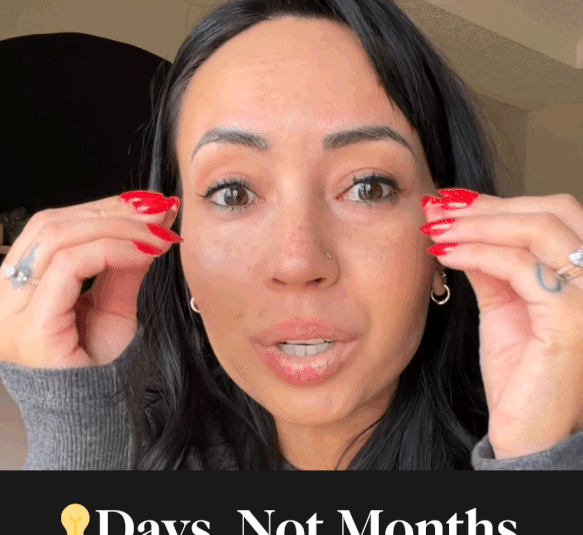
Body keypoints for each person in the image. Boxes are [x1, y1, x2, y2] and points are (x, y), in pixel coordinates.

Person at [1, 0, 582, 471]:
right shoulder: (135, 464)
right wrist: (78, 444)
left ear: (441, 249)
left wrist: (540, 460)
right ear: (179, 248)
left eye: (369, 187)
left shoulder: (537, 445)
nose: (298, 262)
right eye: (233, 193)